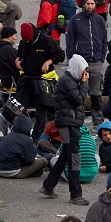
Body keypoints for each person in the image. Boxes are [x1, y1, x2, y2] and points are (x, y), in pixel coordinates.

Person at [40, 54, 91, 205]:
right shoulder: (67, 81)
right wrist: (84, 84)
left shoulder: (71, 80)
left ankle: (48, 186)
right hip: (68, 123)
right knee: (74, 158)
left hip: (71, 122)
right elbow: (79, 100)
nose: (84, 74)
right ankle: (76, 195)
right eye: (82, 71)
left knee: (65, 156)